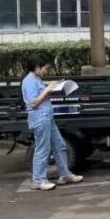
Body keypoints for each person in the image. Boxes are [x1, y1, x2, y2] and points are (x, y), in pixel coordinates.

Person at [21, 54, 83, 191]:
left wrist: (53, 88)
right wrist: (47, 89)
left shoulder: (36, 79)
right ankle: (38, 181)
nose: (46, 71)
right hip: (40, 117)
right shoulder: (29, 81)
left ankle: (65, 175)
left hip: (46, 117)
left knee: (60, 145)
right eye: (45, 68)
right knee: (42, 149)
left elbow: (41, 96)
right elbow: (33, 102)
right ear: (37, 67)